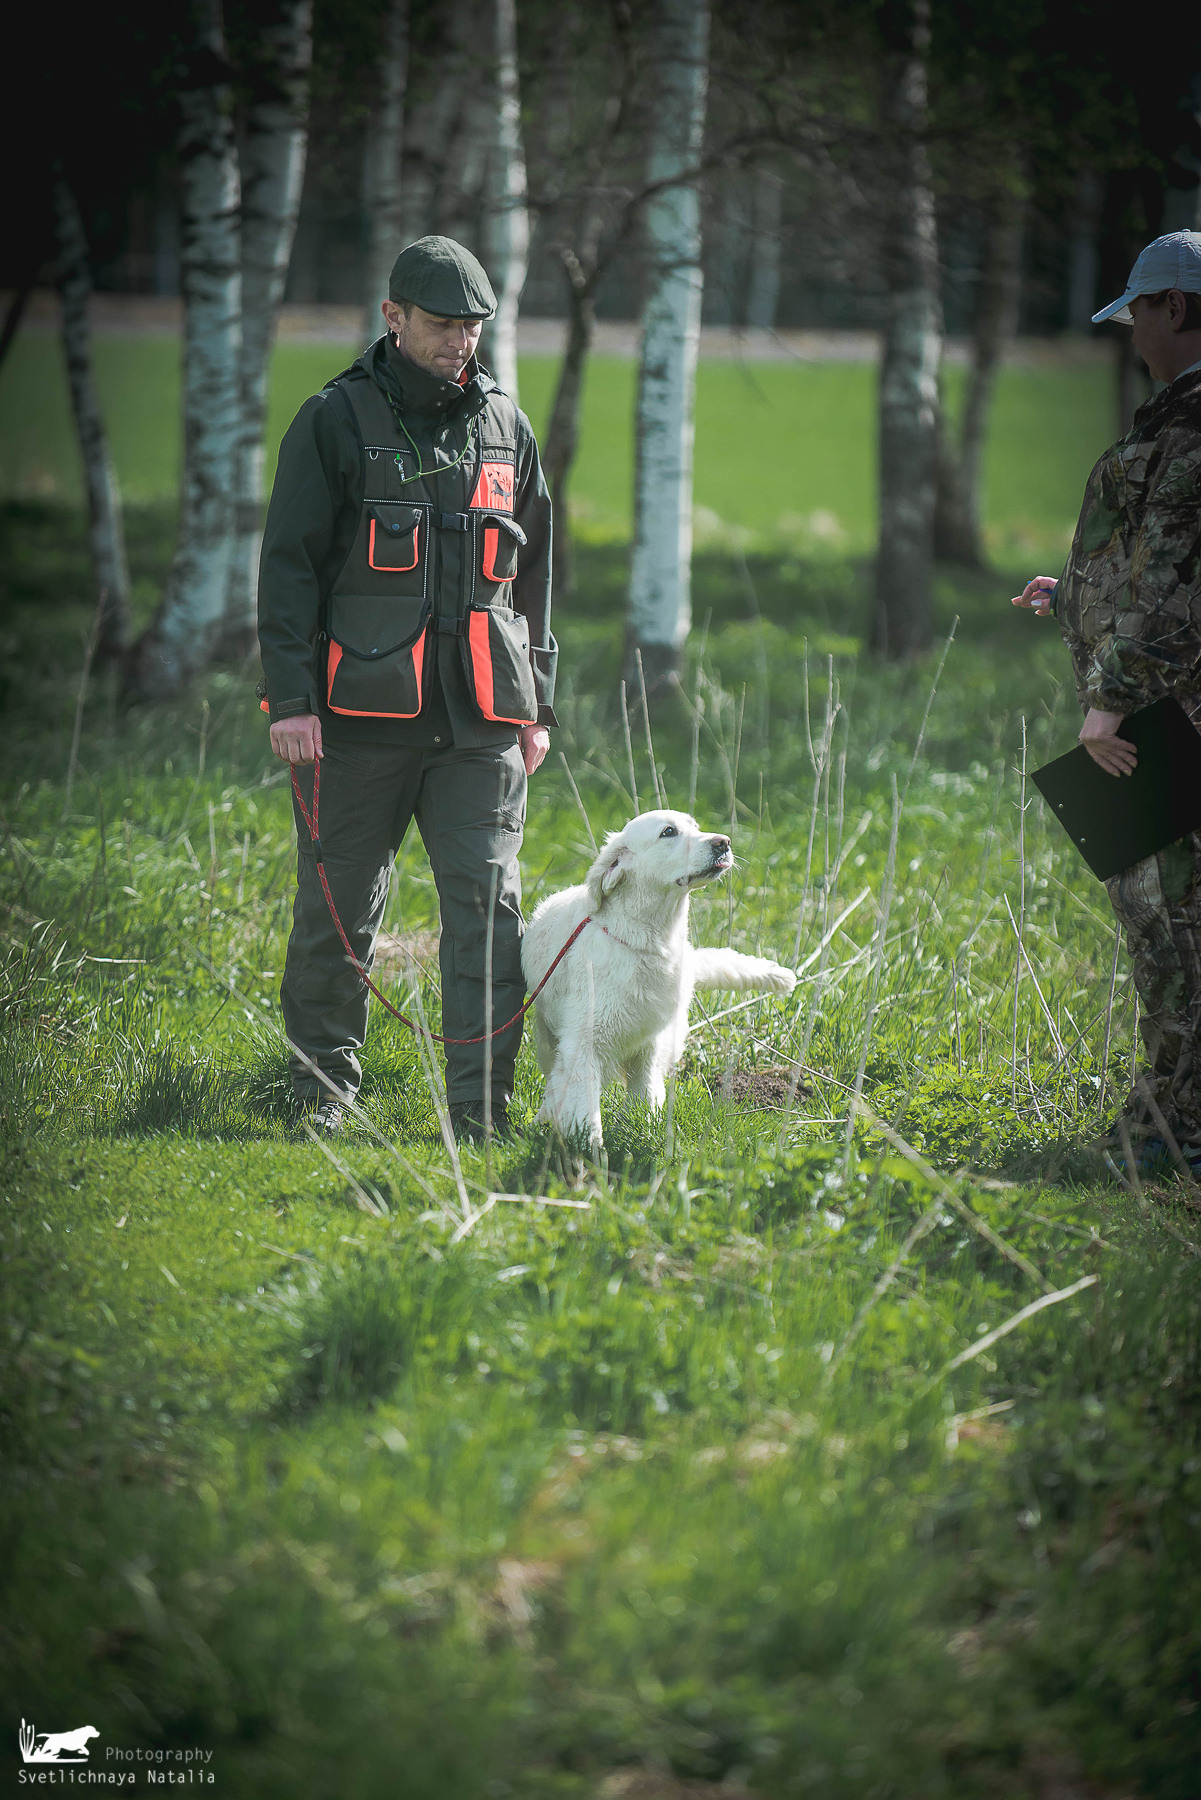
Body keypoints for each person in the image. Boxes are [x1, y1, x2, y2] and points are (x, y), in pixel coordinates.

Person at [257, 235, 557, 1140]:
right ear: (393, 317)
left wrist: (537, 704)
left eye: (471, 326)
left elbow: (534, 578)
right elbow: (289, 568)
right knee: (338, 912)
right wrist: (291, 696)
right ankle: (324, 1095)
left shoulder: (507, 424)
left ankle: (477, 1112)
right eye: (440, 324)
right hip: (357, 719)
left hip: (481, 725)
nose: (458, 341)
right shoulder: (333, 421)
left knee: (488, 913)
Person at [1011, 228, 1201, 1169]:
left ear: (1173, 308)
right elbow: (1155, 563)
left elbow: (1178, 588)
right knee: (1165, 920)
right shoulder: (1172, 418)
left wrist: (1109, 702)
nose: (1130, 336)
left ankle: (1173, 1133)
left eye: (1137, 315)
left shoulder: (1192, 427)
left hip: (1165, 721)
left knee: (1171, 927)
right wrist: (1076, 591)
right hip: (1158, 705)